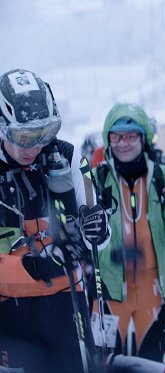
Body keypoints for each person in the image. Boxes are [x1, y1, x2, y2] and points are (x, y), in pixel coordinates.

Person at [0, 69, 110, 372]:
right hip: (11, 309)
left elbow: (98, 225)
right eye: (22, 136)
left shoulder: (71, 156)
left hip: (66, 306)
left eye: (44, 134)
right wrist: (33, 267)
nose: (33, 147)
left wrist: (99, 229)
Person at [92, 102, 165, 362]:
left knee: (151, 365)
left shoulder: (162, 176)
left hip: (154, 292)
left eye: (131, 136)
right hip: (110, 294)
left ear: (143, 137)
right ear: (107, 139)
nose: (123, 143)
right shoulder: (96, 179)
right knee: (106, 366)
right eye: (116, 137)